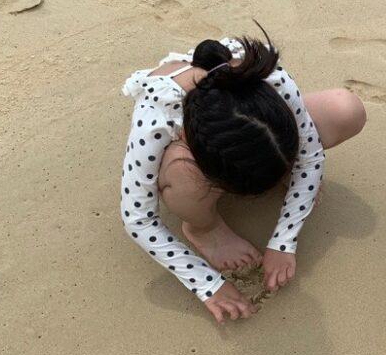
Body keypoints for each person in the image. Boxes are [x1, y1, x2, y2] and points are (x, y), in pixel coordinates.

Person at [120, 29, 365, 324]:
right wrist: (208, 284)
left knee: (345, 110)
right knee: (181, 175)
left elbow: (310, 156)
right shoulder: (155, 119)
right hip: (190, 149)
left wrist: (283, 240)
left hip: (239, 119)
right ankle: (205, 228)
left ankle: (275, 163)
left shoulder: (266, 77)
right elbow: (138, 219)